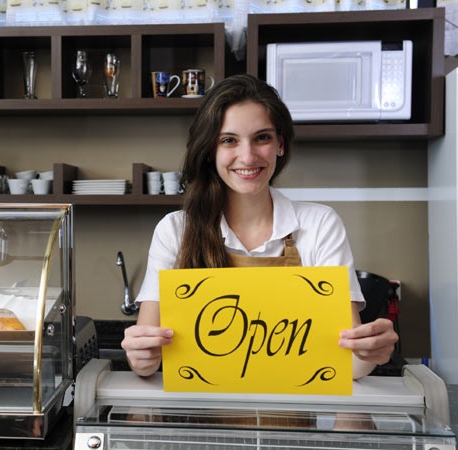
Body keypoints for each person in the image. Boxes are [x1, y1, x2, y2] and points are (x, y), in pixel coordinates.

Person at [121, 73, 398, 380]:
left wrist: (370, 353)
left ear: (280, 144)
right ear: (210, 150)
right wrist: (141, 354)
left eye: (262, 138)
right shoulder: (175, 231)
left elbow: (348, 365)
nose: (248, 156)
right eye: (229, 140)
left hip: (293, 420)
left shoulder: (320, 224)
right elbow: (145, 364)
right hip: (198, 418)